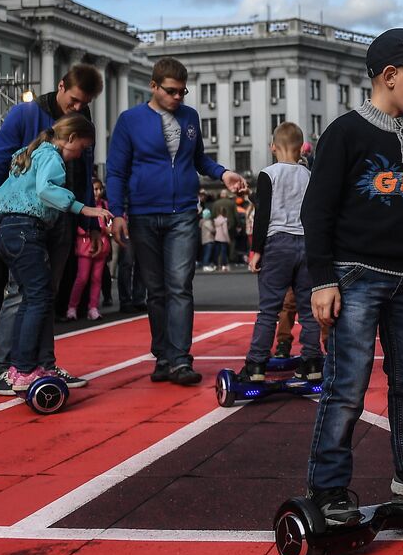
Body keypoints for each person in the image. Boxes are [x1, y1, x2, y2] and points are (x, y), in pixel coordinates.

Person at [302, 27, 403, 525]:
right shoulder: (345, 133)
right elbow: (317, 210)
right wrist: (323, 279)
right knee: (347, 387)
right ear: (390, 76)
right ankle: (328, 488)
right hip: (357, 276)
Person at [107, 56, 246, 386]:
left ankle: (181, 360)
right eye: (171, 91)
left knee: (180, 286)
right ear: (153, 86)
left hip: (183, 212)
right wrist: (116, 213)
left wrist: (223, 172)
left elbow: (199, 159)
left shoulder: (190, 118)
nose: (178, 98)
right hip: (142, 214)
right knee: (155, 291)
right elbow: (116, 171)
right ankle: (163, 357)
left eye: (183, 92)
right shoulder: (130, 121)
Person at [0, 63, 103, 393]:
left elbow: (84, 173)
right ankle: (3, 369)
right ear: (61, 86)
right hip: (26, 221)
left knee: (45, 295)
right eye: (74, 100)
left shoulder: (81, 123)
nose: (77, 107)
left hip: (60, 220)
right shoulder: (25, 115)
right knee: (22, 293)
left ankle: (44, 364)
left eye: (84, 103)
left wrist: (89, 222)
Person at [238, 121, 322, 383]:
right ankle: (311, 360)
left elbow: (263, 215)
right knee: (308, 310)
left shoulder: (268, 174)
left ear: (273, 147)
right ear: (301, 150)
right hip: (305, 242)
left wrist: (256, 251)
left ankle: (256, 364)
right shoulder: (309, 176)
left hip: (277, 243)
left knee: (269, 309)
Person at [66, 177, 111, 321]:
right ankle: (72, 307)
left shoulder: (104, 205)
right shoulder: (84, 208)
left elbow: (109, 225)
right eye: (94, 189)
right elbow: (80, 227)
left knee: (97, 279)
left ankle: (93, 307)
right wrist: (94, 229)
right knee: (82, 278)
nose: (97, 192)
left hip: (102, 246)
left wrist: (104, 229)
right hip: (85, 247)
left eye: (99, 189)